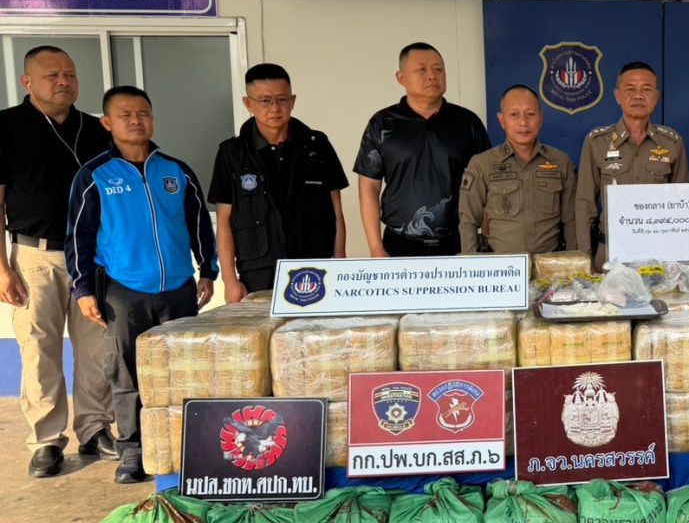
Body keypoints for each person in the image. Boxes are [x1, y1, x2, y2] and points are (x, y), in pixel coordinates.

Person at [66, 86, 217, 483]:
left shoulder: (176, 171)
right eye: (125, 114)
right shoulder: (94, 176)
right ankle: (133, 450)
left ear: (153, 119)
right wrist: (83, 290)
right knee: (127, 372)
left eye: (143, 113)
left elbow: (199, 224)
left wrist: (208, 270)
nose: (136, 121)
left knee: (183, 368)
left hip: (179, 288)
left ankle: (189, 446)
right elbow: (79, 237)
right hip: (123, 290)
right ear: (107, 123)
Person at [0, 46, 115, 478]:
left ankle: (95, 428)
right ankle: (46, 439)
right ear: (27, 81)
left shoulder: (97, 129)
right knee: (39, 350)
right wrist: (2, 268)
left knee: (97, 348)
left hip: (92, 258)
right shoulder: (6, 126)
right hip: (35, 255)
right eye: (52, 75)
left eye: (70, 74)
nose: (64, 81)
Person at [208, 63, 348, 301]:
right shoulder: (232, 153)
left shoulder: (317, 145)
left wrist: (340, 262)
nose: (275, 108)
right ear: (248, 104)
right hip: (259, 270)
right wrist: (230, 280)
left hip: (314, 264)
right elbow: (224, 221)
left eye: (282, 99)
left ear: (292, 101)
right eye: (265, 101)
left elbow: (336, 209)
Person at [354, 43, 490, 257]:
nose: (432, 76)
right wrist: (376, 248)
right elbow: (368, 187)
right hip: (399, 244)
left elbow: (489, 183)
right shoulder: (382, 124)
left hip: (459, 243)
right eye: (422, 69)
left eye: (438, 69)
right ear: (401, 78)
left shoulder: (467, 122)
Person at [576, 62, 689, 269]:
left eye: (646, 89)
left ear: (657, 97)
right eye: (630, 89)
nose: (638, 96)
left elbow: (683, 206)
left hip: (660, 254)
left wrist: (681, 260)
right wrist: (585, 260)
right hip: (611, 253)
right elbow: (585, 205)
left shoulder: (672, 143)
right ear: (618, 96)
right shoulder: (597, 142)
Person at [459, 85, 576, 255]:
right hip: (501, 266)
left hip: (549, 264)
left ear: (540, 119)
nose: (523, 123)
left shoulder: (561, 162)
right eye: (514, 114)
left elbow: (571, 220)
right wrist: (471, 264)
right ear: (502, 120)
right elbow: (468, 220)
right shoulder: (481, 164)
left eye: (530, 114)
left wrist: (574, 262)